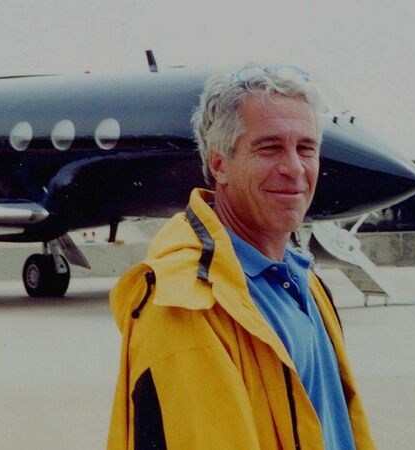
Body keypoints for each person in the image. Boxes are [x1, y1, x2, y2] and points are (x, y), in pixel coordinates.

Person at [107, 65, 375, 450]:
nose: (294, 168)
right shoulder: (184, 302)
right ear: (219, 165)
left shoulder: (309, 285)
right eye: (269, 148)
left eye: (306, 148)